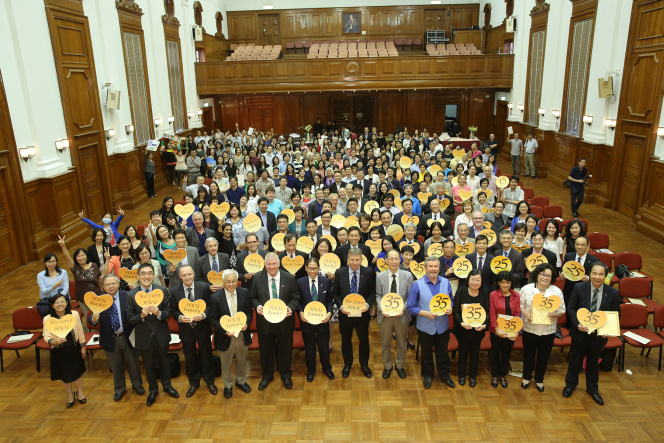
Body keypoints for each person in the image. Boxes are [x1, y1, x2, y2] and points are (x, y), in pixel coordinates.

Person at [563, 262, 620, 405]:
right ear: (590, 274)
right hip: (580, 333)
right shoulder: (579, 287)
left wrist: (608, 329)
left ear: (605, 276)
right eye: (594, 273)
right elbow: (571, 309)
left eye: (601, 274)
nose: (597, 277)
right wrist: (577, 324)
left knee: (593, 362)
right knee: (575, 360)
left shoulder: (612, 292)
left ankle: (593, 389)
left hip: (599, 336)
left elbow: (616, 314)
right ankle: (570, 385)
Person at [127, 262, 180, 406]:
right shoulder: (131, 294)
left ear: (153, 275)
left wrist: (159, 313)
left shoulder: (162, 290)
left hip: (161, 334)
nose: (146, 276)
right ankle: (153, 390)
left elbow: (169, 312)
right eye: (143, 273)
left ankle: (168, 387)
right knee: (149, 366)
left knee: (164, 363)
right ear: (138, 276)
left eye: (149, 273)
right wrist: (142, 316)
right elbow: (130, 319)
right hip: (143, 337)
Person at [89, 274, 144, 401]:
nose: (111, 286)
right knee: (115, 366)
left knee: (133, 363)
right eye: (107, 284)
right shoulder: (99, 300)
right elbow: (92, 319)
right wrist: (93, 319)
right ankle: (119, 388)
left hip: (128, 336)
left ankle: (137, 385)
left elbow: (136, 314)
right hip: (110, 338)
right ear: (103, 287)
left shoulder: (128, 295)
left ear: (118, 284)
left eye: (113, 283)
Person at [250, 253, 300, 390]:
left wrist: (290, 308)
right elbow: (253, 297)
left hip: (284, 321)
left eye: (274, 264)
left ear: (279, 264)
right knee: (265, 350)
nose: (271, 267)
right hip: (265, 322)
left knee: (285, 349)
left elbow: (295, 297)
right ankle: (267, 375)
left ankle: (286, 375)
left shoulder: (289, 278)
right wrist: (257, 306)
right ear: (265, 265)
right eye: (268, 264)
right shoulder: (257, 278)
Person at [406, 256, 456, 389]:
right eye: (430, 266)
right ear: (425, 268)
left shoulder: (446, 282)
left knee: (443, 353)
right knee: (426, 353)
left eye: (436, 266)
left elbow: (450, 299)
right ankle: (428, 375)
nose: (433, 269)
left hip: (442, 326)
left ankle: (445, 375)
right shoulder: (417, 285)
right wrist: (426, 313)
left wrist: (450, 306)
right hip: (425, 326)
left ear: (439, 268)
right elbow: (410, 307)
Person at [170, 265, 217, 397]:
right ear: (180, 276)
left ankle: (210, 382)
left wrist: (203, 315)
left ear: (194, 274)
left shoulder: (203, 287)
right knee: (190, 358)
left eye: (189, 274)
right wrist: (179, 317)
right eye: (184, 275)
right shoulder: (174, 291)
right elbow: (173, 310)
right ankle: (194, 383)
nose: (187, 277)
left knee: (207, 356)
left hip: (202, 328)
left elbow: (210, 305)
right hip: (186, 330)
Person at [519, 263, 565, 392]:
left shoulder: (556, 291)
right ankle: (526, 377)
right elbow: (520, 304)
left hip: (548, 330)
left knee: (544, 356)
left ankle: (539, 379)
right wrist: (526, 313)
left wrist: (555, 314)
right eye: (543, 274)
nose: (545, 277)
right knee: (528, 354)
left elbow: (562, 309)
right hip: (530, 328)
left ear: (552, 278)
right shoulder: (527, 289)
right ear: (537, 275)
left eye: (548, 276)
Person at [332, 247, 376, 379]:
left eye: (357, 260)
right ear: (347, 259)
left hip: (362, 315)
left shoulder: (368, 272)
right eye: (352, 260)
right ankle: (347, 364)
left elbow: (373, 292)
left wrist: (367, 304)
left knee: (364, 340)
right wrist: (341, 307)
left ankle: (364, 364)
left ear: (362, 260)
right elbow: (335, 293)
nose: (355, 262)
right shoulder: (339, 272)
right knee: (346, 340)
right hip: (345, 314)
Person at [209, 269, 252, 398]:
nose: (231, 284)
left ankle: (241, 381)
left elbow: (249, 312)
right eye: (228, 282)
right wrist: (224, 331)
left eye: (234, 281)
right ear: (223, 282)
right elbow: (213, 319)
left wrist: (247, 324)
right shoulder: (215, 297)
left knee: (242, 360)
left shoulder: (244, 293)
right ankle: (228, 385)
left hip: (241, 335)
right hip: (225, 336)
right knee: (226, 363)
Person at [43, 294, 87, 408]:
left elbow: (80, 331)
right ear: (52, 305)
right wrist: (55, 341)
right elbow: (46, 336)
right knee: (64, 375)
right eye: (56, 303)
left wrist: (83, 347)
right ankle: (70, 395)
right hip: (59, 351)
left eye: (62, 302)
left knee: (77, 372)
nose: (60, 304)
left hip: (74, 348)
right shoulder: (48, 319)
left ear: (67, 303)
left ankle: (80, 392)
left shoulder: (74, 314)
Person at [376, 249, 413, 379]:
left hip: (401, 315)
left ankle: (399, 365)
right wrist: (382, 308)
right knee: (385, 343)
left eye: (396, 258)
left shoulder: (407, 276)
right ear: (385, 260)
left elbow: (410, 296)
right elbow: (378, 295)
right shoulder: (379, 276)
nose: (394, 261)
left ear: (400, 259)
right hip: (385, 315)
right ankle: (387, 366)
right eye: (390, 259)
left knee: (402, 342)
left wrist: (403, 308)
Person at [297, 257, 335, 382]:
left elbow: (329, 300)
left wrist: (329, 313)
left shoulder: (326, 281)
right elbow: (298, 301)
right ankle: (311, 370)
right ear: (306, 269)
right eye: (310, 268)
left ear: (319, 269)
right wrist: (300, 312)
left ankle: (327, 368)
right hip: (307, 321)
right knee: (309, 348)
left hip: (323, 321)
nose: (312, 271)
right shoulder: (300, 282)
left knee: (324, 347)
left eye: (315, 268)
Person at [57, 235, 102, 332]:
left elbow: (99, 279)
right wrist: (63, 246)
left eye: (83, 255)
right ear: (76, 258)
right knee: (88, 317)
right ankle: (92, 335)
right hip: (82, 297)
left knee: (99, 316)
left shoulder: (94, 265)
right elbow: (68, 258)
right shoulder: (75, 268)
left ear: (86, 256)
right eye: (78, 256)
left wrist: (102, 291)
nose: (81, 258)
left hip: (96, 296)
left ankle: (101, 334)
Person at [453, 269, 489, 387]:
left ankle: (473, 376)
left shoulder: (485, 293)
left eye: (478, 280)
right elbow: (456, 311)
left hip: (478, 330)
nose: (475, 282)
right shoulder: (461, 291)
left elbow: (488, 312)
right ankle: (462, 375)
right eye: (472, 279)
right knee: (462, 352)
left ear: (482, 281)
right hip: (463, 329)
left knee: (475, 353)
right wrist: (461, 323)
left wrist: (484, 325)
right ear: (468, 280)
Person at [489, 271, 520, 389]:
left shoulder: (516, 295)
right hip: (496, 329)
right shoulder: (493, 295)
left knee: (506, 353)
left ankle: (502, 375)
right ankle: (494, 375)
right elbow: (492, 313)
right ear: (498, 283)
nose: (505, 285)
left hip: (511, 329)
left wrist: (516, 331)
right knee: (495, 353)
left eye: (507, 282)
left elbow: (517, 314)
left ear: (511, 283)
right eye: (502, 282)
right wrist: (496, 329)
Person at [562, 235, 598, 318]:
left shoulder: (593, 260)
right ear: (574, 245)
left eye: (582, 245)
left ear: (587, 246)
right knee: (569, 310)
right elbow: (564, 270)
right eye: (577, 244)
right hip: (569, 289)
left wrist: (589, 279)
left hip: (584, 290)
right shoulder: (568, 256)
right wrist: (562, 275)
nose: (580, 247)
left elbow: (595, 275)